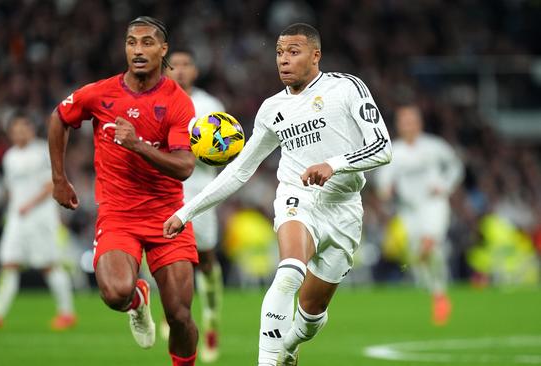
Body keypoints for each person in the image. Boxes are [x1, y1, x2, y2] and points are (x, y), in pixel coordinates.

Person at [164, 23, 392, 366]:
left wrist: (334, 164)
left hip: (345, 208)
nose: (283, 60)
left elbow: (383, 148)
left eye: (293, 52)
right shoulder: (272, 109)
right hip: (298, 196)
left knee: (311, 316)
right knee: (288, 272)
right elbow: (240, 169)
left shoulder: (346, 88)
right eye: (279, 53)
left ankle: (290, 347)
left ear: (315, 56)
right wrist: (186, 212)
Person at [48, 16, 199, 366]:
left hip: (167, 217)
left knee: (179, 315)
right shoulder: (100, 93)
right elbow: (59, 118)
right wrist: (59, 178)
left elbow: (185, 167)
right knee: (116, 293)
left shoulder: (177, 102)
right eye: (132, 42)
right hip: (118, 214)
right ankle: (136, 300)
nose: (138, 50)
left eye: (147, 43)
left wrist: (137, 145)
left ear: (164, 50)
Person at [0, 114, 76, 330]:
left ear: (32, 129)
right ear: (10, 132)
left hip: (40, 217)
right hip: (17, 218)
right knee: (9, 264)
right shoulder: (9, 156)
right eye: (16, 128)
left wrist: (29, 205)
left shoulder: (43, 151)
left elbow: (53, 183)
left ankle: (67, 314)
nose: (20, 132)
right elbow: (11, 189)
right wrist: (14, 208)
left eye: (24, 127)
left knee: (49, 266)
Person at [376, 104, 464, 326]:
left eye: (411, 121)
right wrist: (385, 189)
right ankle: (438, 294)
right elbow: (383, 178)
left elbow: (455, 167)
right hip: (409, 210)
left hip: (433, 204)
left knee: (428, 245)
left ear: (419, 123)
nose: (408, 125)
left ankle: (440, 295)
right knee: (419, 256)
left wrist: (444, 186)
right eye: (404, 122)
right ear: (399, 125)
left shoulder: (434, 147)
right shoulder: (394, 151)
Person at [164, 48, 225, 363]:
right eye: (175, 65)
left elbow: (227, 148)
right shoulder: (157, 100)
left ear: (196, 71)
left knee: (205, 257)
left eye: (187, 64)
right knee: (165, 257)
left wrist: (204, 149)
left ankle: (212, 321)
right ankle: (173, 312)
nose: (181, 70)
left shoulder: (209, 106)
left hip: (201, 190)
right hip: (165, 191)